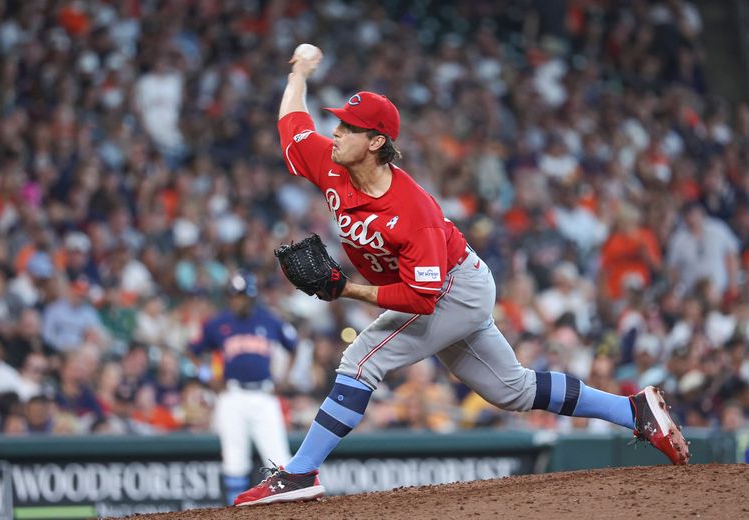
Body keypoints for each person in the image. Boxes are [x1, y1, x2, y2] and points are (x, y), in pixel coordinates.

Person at [234, 44, 690, 507]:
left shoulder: (414, 211)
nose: (336, 132)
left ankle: (299, 472)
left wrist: (347, 290)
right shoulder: (331, 162)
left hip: (453, 287)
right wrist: (299, 74)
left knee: (362, 361)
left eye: (349, 128)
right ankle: (632, 410)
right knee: (512, 390)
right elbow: (293, 128)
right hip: (446, 288)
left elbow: (421, 299)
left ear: (375, 142)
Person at [189, 271, 298, 505]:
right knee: (234, 459)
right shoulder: (218, 323)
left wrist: (284, 379)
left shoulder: (268, 319)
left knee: (280, 459)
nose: (239, 301)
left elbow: (293, 346)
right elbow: (192, 351)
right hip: (232, 395)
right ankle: (235, 509)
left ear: (252, 297)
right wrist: (208, 376)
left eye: (243, 296)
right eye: (235, 296)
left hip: (264, 393)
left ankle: (288, 508)